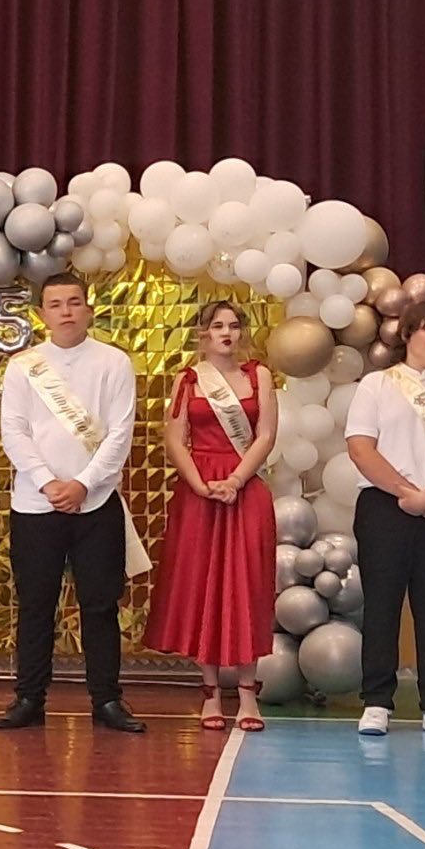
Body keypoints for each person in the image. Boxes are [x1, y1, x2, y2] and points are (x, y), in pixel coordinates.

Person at [0, 273, 147, 734]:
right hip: (35, 503)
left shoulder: (114, 362)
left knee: (100, 605)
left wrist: (82, 484)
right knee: (35, 605)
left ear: (89, 309)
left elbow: (120, 434)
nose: (66, 311)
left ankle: (107, 699)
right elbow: (13, 432)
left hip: (96, 503)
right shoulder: (23, 366)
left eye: (74, 302)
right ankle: (29, 697)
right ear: (41, 314)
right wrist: (48, 483)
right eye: (56, 304)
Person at [143, 302, 277, 730]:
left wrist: (236, 479)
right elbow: (174, 439)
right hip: (199, 488)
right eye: (217, 326)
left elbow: (266, 435)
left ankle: (248, 695)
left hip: (244, 486)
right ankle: (210, 694)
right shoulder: (188, 379)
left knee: (247, 584)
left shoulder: (259, 375)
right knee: (204, 587)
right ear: (204, 333)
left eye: (234, 326)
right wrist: (201, 484)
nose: (226, 333)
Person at [346, 300, 425, 738]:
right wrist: (408, 495)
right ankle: (377, 701)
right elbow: (361, 449)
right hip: (384, 508)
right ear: (409, 333)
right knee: (381, 605)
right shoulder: (376, 385)